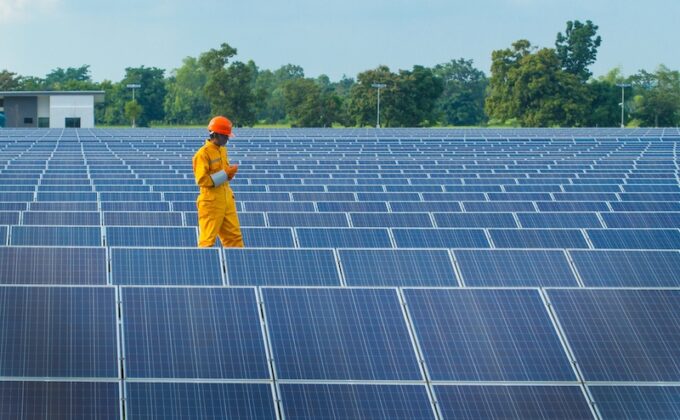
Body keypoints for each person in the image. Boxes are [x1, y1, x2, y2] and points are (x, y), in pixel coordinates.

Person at [192, 116, 244, 248]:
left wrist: (228, 175)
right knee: (207, 241)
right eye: (225, 136)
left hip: (227, 199)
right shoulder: (202, 154)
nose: (227, 139)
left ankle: (238, 266)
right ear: (215, 134)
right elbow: (201, 180)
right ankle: (205, 267)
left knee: (235, 238)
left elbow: (222, 174)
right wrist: (224, 175)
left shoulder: (222, 150)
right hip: (211, 203)